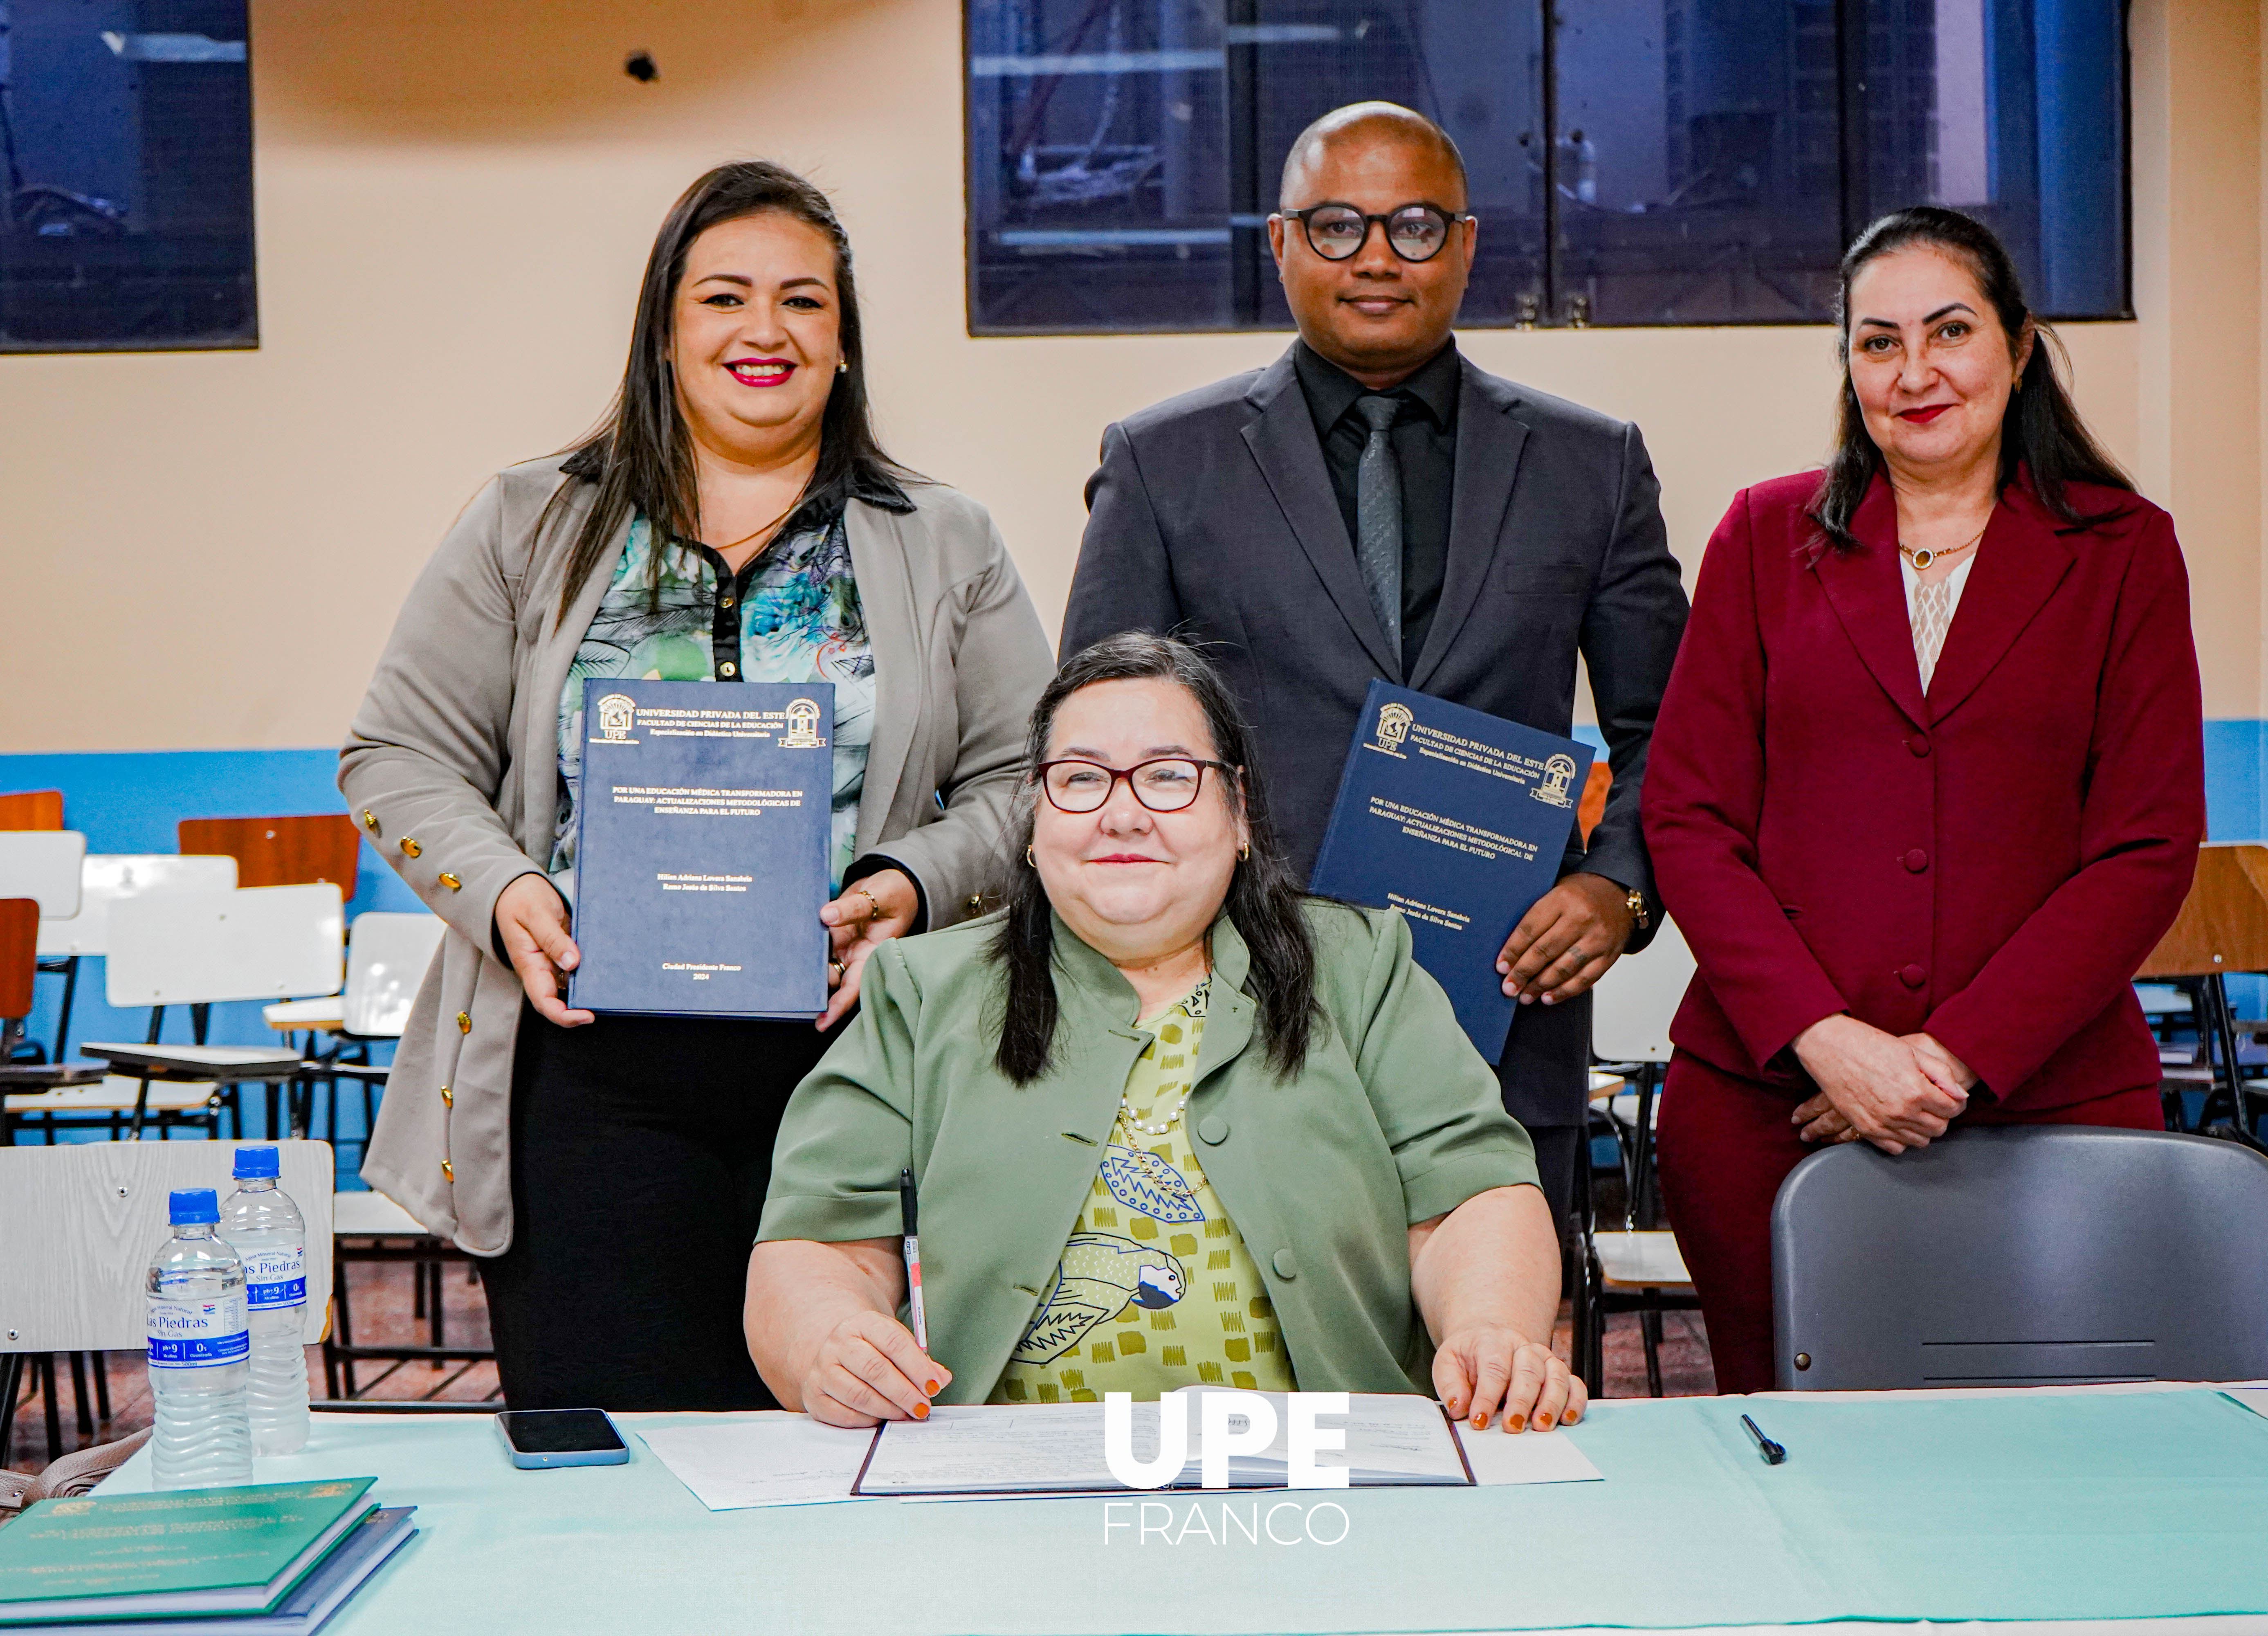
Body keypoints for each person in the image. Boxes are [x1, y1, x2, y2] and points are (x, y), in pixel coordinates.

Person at [342, 161, 1053, 1410]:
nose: (764, 331)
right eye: (724, 297)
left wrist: (910, 882)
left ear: (844, 340)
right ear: (665, 334)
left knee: (848, 1448)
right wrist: (507, 892)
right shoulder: (528, 523)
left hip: (855, 1061)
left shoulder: (947, 540)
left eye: (804, 301)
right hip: (588, 1075)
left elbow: (1027, 779)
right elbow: (396, 754)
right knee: (618, 1462)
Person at [1060, 103, 1689, 1232]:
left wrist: (1617, 885)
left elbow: (1676, 729)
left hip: (1505, 1015)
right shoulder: (1164, 461)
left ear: (1468, 244)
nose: (1377, 260)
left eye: (1413, 226)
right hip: (1236, 1022)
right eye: (1339, 226)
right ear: (1280, 242)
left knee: (1494, 1379)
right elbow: (1096, 748)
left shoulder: (1593, 465)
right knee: (1266, 1386)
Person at [747, 634, 1583, 1435]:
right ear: (1035, 821)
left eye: (1169, 776)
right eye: (1080, 780)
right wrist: (829, 1338)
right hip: (1005, 1490)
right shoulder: (920, 990)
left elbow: (1472, 1194)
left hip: (1328, 1476)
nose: (1123, 813)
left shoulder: (1359, 967)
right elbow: (821, 1243)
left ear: (1240, 810)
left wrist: (1490, 1328)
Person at [1641, 207, 2205, 1393]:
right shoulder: (1763, 536)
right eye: (1877, 342)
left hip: (2049, 1106)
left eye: (1949, 331)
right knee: (1794, 1463)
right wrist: (1830, 1045)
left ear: (2018, 345)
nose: (1915, 373)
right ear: (1847, 366)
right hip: (1769, 1109)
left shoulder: (2123, 549)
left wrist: (1944, 1062)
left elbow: (2146, 846)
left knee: (2054, 1474)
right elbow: (1690, 817)